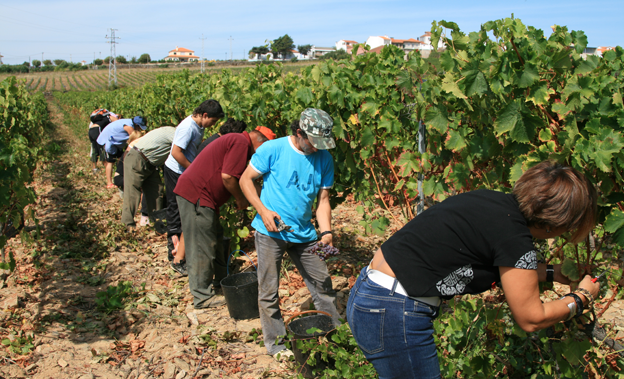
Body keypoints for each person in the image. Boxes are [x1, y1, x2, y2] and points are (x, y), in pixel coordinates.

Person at [346, 160, 599, 378]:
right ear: (556, 223)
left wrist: (554, 273)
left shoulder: (494, 203)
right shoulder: (514, 239)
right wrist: (580, 298)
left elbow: (507, 269)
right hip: (393, 311)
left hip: (371, 294)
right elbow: (531, 318)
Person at [239, 108, 341, 360]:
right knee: (269, 290)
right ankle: (277, 344)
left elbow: (324, 200)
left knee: (323, 284)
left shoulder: (324, 158)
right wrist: (262, 211)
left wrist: (326, 231)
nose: (317, 149)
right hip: (270, 231)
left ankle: (335, 336)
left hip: (305, 234)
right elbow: (245, 180)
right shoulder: (272, 149)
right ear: (299, 133)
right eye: (313, 143)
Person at [174, 127, 275, 309]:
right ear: (260, 142)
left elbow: (247, 181)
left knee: (217, 240)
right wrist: (240, 199)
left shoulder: (239, 144)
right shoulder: (240, 142)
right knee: (201, 245)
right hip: (197, 196)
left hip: (206, 199)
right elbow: (228, 177)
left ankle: (220, 281)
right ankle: (202, 297)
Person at [163, 100, 224, 264]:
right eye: (213, 121)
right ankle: (173, 254)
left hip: (184, 172)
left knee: (184, 211)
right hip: (176, 171)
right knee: (176, 210)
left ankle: (182, 251)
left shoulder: (199, 126)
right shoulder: (188, 127)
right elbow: (176, 152)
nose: (213, 125)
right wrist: (193, 169)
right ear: (205, 115)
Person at [121, 126, 175, 230]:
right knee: (132, 193)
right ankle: (127, 226)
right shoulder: (174, 134)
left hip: (150, 163)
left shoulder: (171, 132)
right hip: (137, 158)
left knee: (156, 190)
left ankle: (158, 224)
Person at [97, 116, 148, 189]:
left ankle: (118, 177)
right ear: (136, 125)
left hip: (115, 143)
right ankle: (109, 183)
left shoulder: (128, 122)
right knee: (110, 161)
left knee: (119, 159)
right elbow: (134, 139)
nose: (139, 129)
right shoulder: (129, 127)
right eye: (139, 127)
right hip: (108, 142)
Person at [88, 108, 119, 175]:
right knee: (103, 149)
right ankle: (107, 167)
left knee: (94, 149)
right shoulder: (110, 117)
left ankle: (94, 168)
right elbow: (117, 123)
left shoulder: (100, 118)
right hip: (97, 130)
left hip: (91, 130)